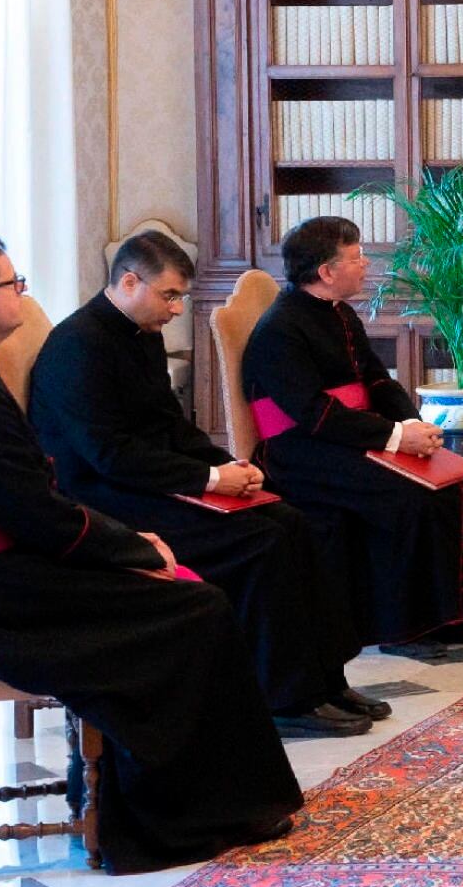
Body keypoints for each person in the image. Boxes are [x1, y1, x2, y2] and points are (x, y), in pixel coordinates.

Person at [0, 229, 302, 871]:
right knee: (195, 610)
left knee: (196, 599)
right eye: (11, 283)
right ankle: (170, 819)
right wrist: (134, 548)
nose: (21, 293)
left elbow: (29, 504)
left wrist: (127, 545)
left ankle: (198, 799)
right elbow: (41, 519)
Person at [31, 231, 381, 737]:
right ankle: (284, 697)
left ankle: (325, 679)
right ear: (129, 281)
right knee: (262, 542)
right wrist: (210, 478)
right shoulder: (78, 346)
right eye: (169, 295)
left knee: (291, 520)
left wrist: (228, 465)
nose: (176, 310)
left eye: (180, 297)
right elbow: (107, 455)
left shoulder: (141, 332)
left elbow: (171, 424)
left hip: (150, 479)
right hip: (105, 499)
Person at [242, 215, 463, 658]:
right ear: (326, 271)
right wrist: (395, 438)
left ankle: (449, 618)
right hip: (299, 452)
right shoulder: (281, 329)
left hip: (348, 435)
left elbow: (378, 381)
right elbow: (313, 413)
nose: (366, 266)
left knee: (451, 487)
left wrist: (410, 424)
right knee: (406, 495)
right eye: (357, 257)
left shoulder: (339, 313)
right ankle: (404, 630)